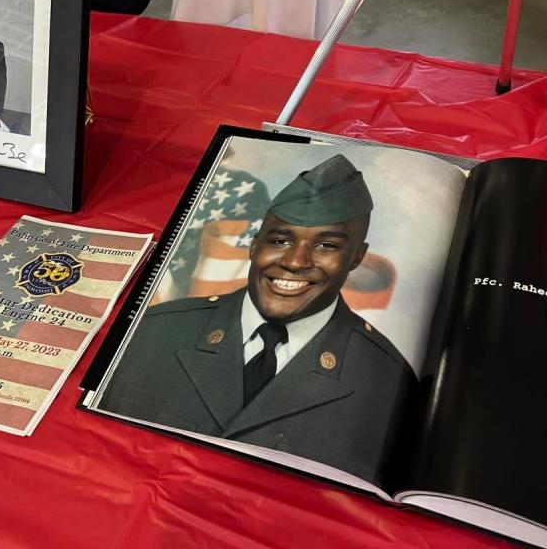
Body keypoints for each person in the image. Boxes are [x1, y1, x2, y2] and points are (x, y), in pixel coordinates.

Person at [99, 154, 418, 485]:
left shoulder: (385, 382)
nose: (295, 261)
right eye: (280, 241)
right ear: (254, 247)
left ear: (357, 258)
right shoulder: (155, 332)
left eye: (326, 245)